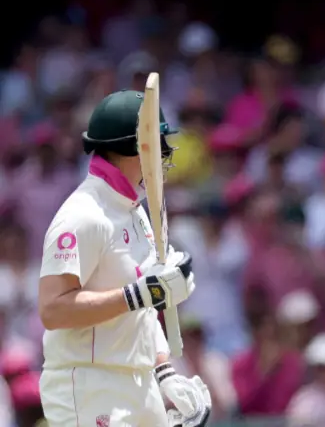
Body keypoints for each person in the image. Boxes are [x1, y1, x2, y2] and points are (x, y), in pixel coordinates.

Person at [37, 90, 212, 426]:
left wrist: (164, 372)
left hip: (138, 380)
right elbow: (53, 309)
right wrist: (139, 294)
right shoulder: (84, 215)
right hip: (88, 385)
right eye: (157, 143)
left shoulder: (135, 210)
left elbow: (143, 310)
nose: (164, 154)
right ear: (133, 148)